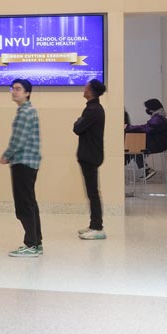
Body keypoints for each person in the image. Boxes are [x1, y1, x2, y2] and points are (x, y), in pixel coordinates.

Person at [0, 78, 43, 257]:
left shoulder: (25, 112)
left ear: (27, 93)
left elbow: (19, 139)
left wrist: (6, 155)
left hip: (23, 163)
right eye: (13, 88)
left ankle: (31, 244)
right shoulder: (27, 111)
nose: (14, 91)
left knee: (24, 205)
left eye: (18, 89)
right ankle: (36, 242)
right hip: (29, 163)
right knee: (30, 203)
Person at [72, 79, 107, 240]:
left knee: (93, 192)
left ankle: (97, 227)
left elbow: (77, 128)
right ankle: (94, 224)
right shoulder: (94, 108)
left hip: (90, 156)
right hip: (91, 155)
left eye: (86, 87)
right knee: (92, 192)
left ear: (91, 91)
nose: (83, 89)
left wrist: (78, 121)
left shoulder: (93, 110)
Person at [127, 98, 167, 182]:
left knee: (133, 149)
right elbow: (146, 127)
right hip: (157, 143)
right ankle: (145, 169)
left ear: (153, 108)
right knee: (132, 149)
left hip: (157, 145)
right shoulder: (159, 117)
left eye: (148, 108)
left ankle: (146, 170)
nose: (147, 110)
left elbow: (146, 129)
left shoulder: (158, 119)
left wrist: (129, 127)